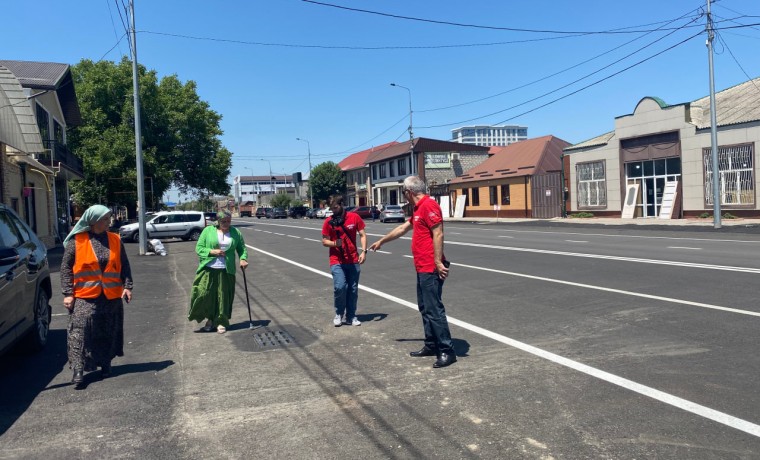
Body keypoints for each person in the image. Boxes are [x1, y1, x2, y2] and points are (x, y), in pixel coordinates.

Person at [369, 176, 456, 368]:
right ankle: (431, 344)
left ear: (409, 192)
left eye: (404, 193)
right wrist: (382, 241)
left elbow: (438, 233)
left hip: (430, 267)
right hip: (421, 266)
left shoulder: (429, 205)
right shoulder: (418, 209)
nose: (404, 196)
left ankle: (446, 350)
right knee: (425, 307)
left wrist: (437, 261)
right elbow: (403, 227)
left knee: (434, 309)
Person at [61, 205, 133, 388]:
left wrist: (127, 286)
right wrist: (68, 293)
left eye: (109, 218)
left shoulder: (115, 239)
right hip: (84, 296)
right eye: (105, 219)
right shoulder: (77, 241)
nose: (109, 221)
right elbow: (66, 269)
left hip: (110, 296)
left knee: (107, 330)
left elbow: (124, 264)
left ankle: (105, 363)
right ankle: (78, 369)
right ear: (93, 221)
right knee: (79, 333)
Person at [188, 210, 248, 333]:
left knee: (223, 297)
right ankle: (210, 319)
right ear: (218, 221)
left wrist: (243, 259)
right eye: (223, 222)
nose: (226, 224)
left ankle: (221, 321)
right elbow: (199, 248)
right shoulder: (208, 231)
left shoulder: (235, 232)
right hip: (209, 268)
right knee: (205, 295)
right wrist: (212, 252)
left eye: (228, 221)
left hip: (227, 269)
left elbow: (242, 248)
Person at [322, 194, 367, 327]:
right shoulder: (328, 221)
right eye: (331, 209)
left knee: (352, 289)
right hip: (336, 260)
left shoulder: (354, 217)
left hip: (353, 259)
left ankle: (351, 316)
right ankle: (339, 313)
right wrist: (335, 244)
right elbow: (324, 241)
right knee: (340, 286)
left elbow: (363, 235)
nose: (333, 211)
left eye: (335, 208)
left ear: (342, 205)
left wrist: (364, 252)